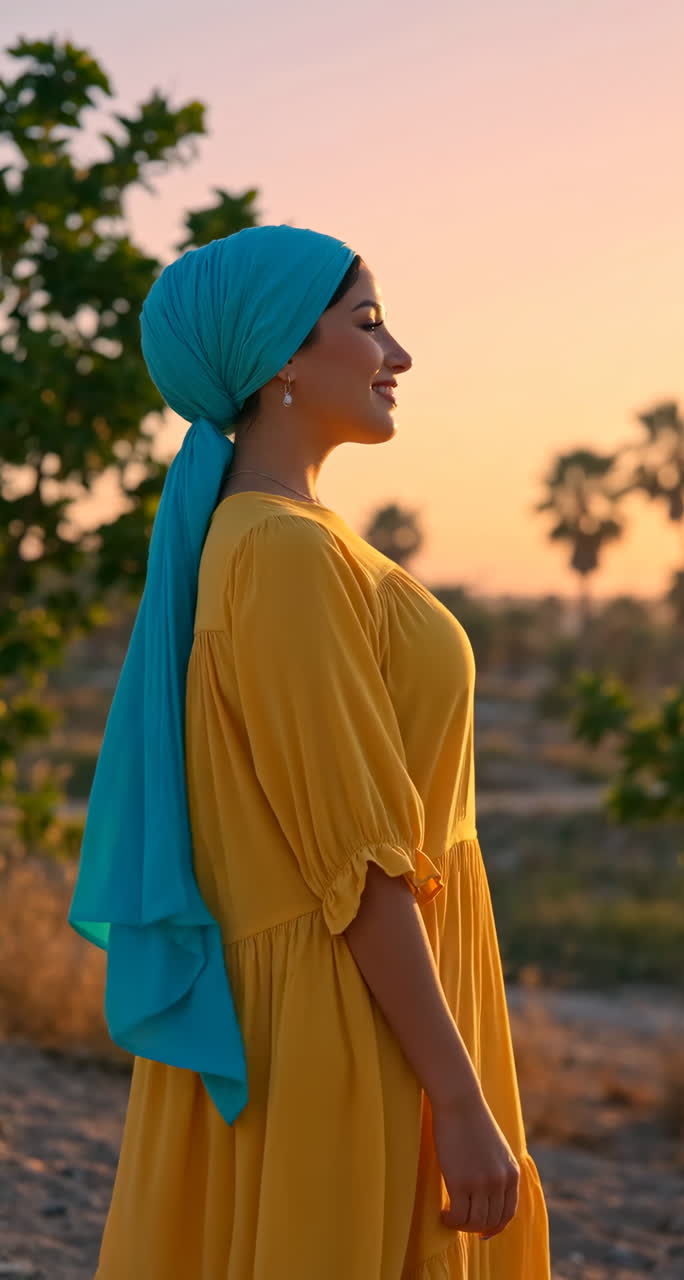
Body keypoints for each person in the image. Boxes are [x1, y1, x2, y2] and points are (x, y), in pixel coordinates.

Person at [69, 224, 551, 1277]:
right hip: (347, 1032)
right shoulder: (279, 552)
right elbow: (363, 869)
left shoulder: (289, 534)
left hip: (366, 1009)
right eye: (369, 322)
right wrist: (458, 1101)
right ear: (283, 351)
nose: (401, 355)